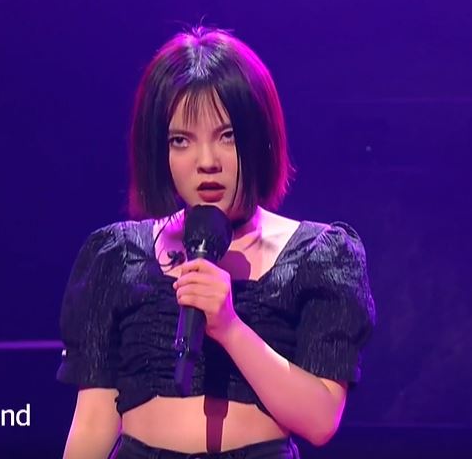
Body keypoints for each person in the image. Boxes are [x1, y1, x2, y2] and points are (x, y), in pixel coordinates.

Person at [56, 26, 376, 459]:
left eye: (227, 137)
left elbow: (320, 421)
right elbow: (93, 421)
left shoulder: (318, 256)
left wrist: (229, 327)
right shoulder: (117, 255)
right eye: (181, 141)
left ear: (259, 140)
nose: (206, 162)